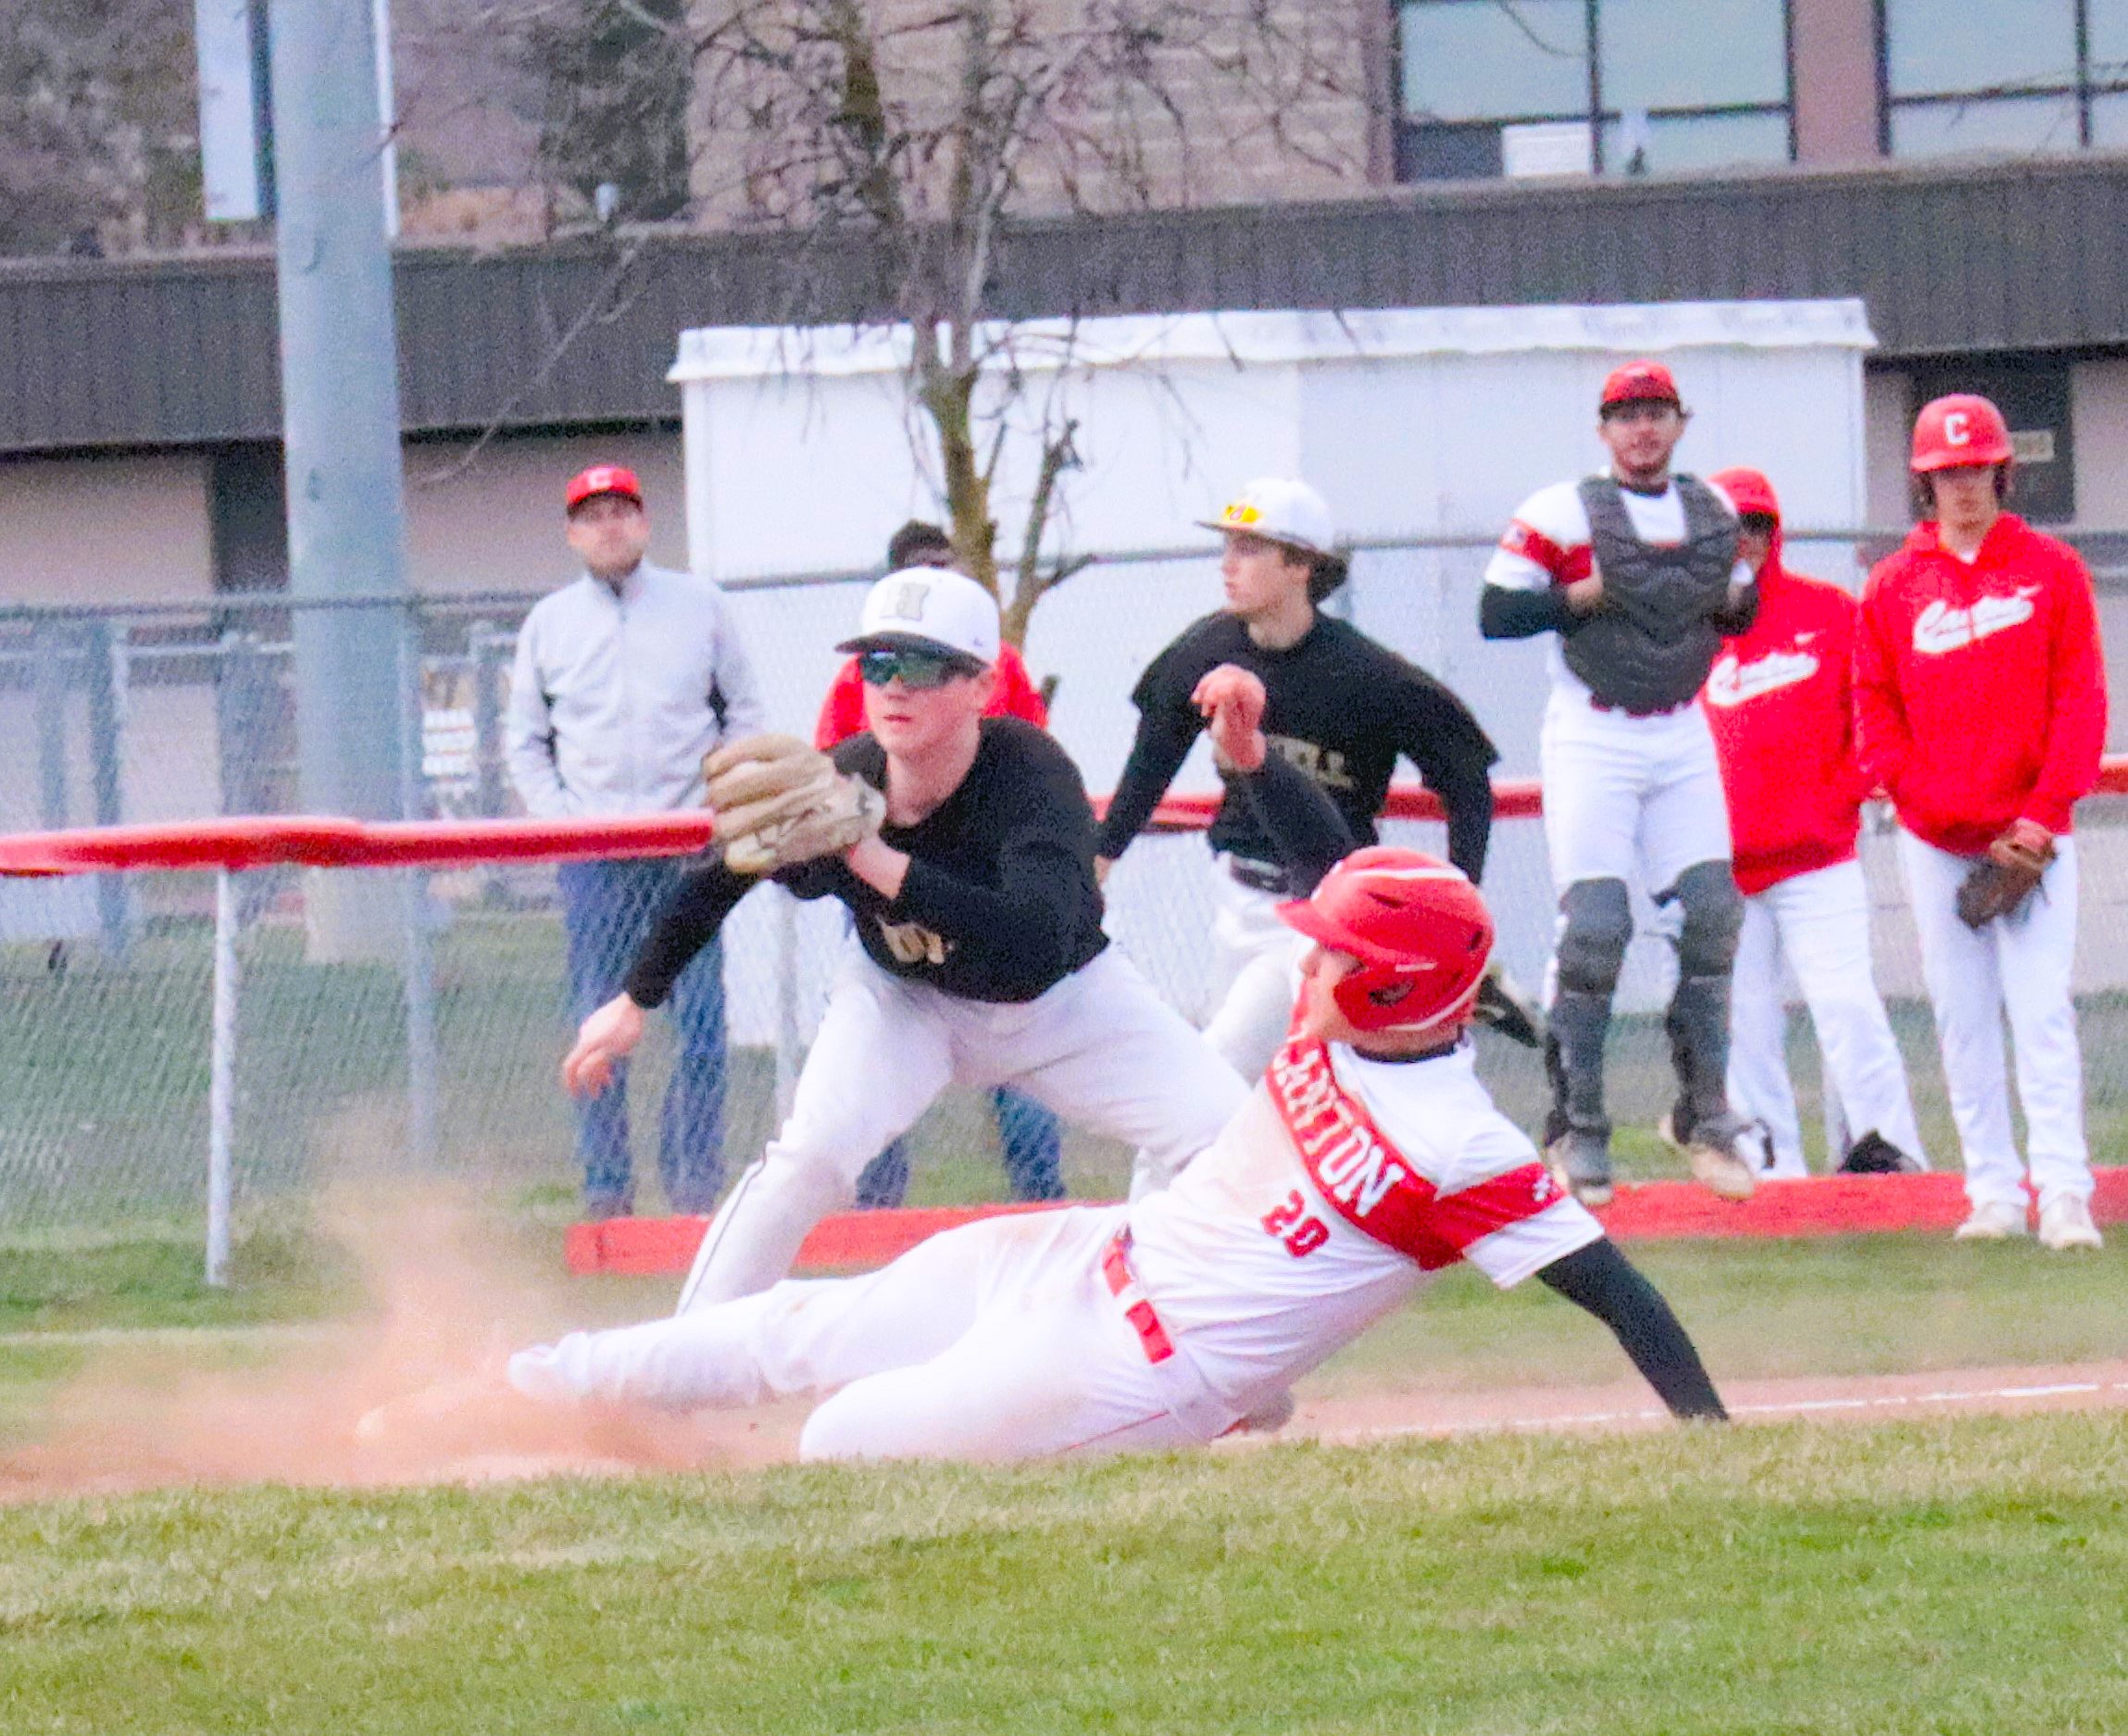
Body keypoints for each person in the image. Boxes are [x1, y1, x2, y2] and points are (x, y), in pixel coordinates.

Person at [473, 711, 1725, 1463]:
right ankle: (511, 1385)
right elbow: (1340, 868)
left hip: (1141, 1368)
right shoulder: (1346, 1035)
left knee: (837, 1439)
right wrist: (1246, 760)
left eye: (1335, 954)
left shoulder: (1464, 1153)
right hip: (1085, 1253)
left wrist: (1714, 1446)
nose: (1310, 956)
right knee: (797, 1325)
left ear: (1392, 989)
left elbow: (1620, 1294)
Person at [563, 563, 1249, 1312]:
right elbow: (718, 878)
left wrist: (874, 858)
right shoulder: (843, 778)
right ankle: (683, 1361)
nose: (894, 685)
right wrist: (634, 999)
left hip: (1061, 1007)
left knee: (1228, 1136)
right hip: (904, 1001)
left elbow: (1037, 935)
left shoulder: (1029, 773)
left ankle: (1207, 1339)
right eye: (878, 663)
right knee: (810, 1158)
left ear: (982, 685)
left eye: (923, 664)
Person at [1096, 477, 1510, 1085]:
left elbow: (1467, 778)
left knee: (1212, 1073)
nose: (1228, 565)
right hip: (1234, 896)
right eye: (1228, 546)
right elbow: (1151, 759)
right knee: (1269, 1087)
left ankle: (1157, 1188)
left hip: (1324, 912)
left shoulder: (1366, 675)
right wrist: (1104, 854)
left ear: (1300, 566)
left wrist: (1461, 901)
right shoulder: (1207, 648)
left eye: (1251, 548)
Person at [1479, 359, 1761, 1209]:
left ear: (1681, 423)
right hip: (1593, 728)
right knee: (1597, 927)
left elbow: (1739, 610)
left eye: (1658, 414)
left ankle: (1702, 1115)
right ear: (1603, 429)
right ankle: (1576, 1124)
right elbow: (1498, 613)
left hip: (1679, 724)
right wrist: (1585, 594)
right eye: (1627, 415)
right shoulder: (1565, 508)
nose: (1643, 429)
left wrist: (1727, 583)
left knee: (1713, 912)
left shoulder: (1709, 508)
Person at [1855, 393, 2108, 1250]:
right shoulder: (1893, 585)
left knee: (2040, 1014)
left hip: (2035, 840)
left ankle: (2065, 1191)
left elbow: (2081, 703)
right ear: (1925, 483)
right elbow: (1875, 710)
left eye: (1975, 468)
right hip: (1936, 842)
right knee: (1961, 1018)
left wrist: (2042, 818)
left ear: (2002, 471)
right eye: (1944, 472)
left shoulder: (2052, 568)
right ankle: (1994, 1190)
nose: (1962, 485)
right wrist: (1923, 811)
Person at [505, 462, 766, 1218]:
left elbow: (743, 712)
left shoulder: (700, 606)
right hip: (598, 860)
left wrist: (719, 805)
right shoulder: (549, 624)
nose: (609, 525)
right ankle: (608, 1191)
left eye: (621, 510)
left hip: (690, 851)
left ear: (645, 523)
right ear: (572, 534)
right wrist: (569, 823)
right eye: (592, 514)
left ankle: (693, 1191)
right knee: (597, 1027)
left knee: (702, 1033)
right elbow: (526, 741)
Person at [819, 520, 1065, 1210]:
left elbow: (1032, 763)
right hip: (883, 880)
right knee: (873, 1041)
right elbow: (832, 779)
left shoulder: (999, 667)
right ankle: (878, 1199)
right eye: (920, 573)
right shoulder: (857, 677)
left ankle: (1038, 1193)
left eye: (944, 570)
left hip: (986, 879)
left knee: (1018, 1032)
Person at [1699, 467, 1929, 1180]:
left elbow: (1879, 713)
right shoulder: (1683, 630)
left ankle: (1887, 1153)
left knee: (1847, 1004)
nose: (1745, 538)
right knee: (1747, 1026)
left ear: (1777, 530)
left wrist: (1845, 794)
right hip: (1724, 867)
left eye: (1758, 523)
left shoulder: (1829, 611)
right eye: (1730, 525)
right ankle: (1773, 1170)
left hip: (1818, 856)